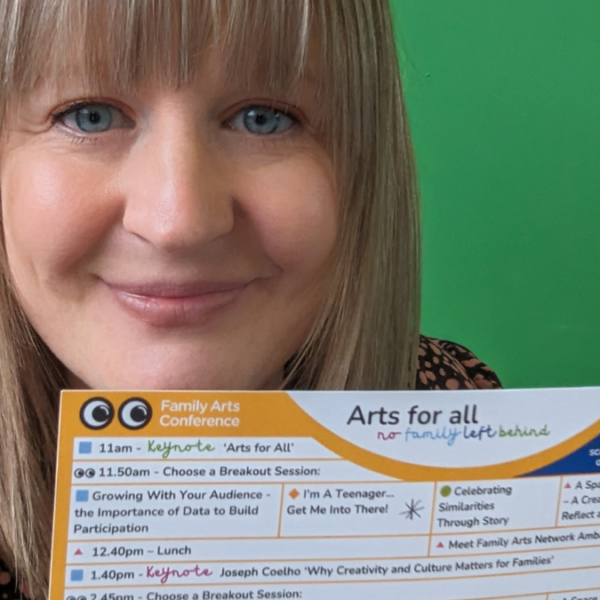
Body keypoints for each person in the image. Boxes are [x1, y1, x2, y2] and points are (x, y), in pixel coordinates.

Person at [0, 0, 500, 597]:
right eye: (89, 116)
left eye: (264, 118)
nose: (178, 220)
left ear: (361, 170)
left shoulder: (452, 402)